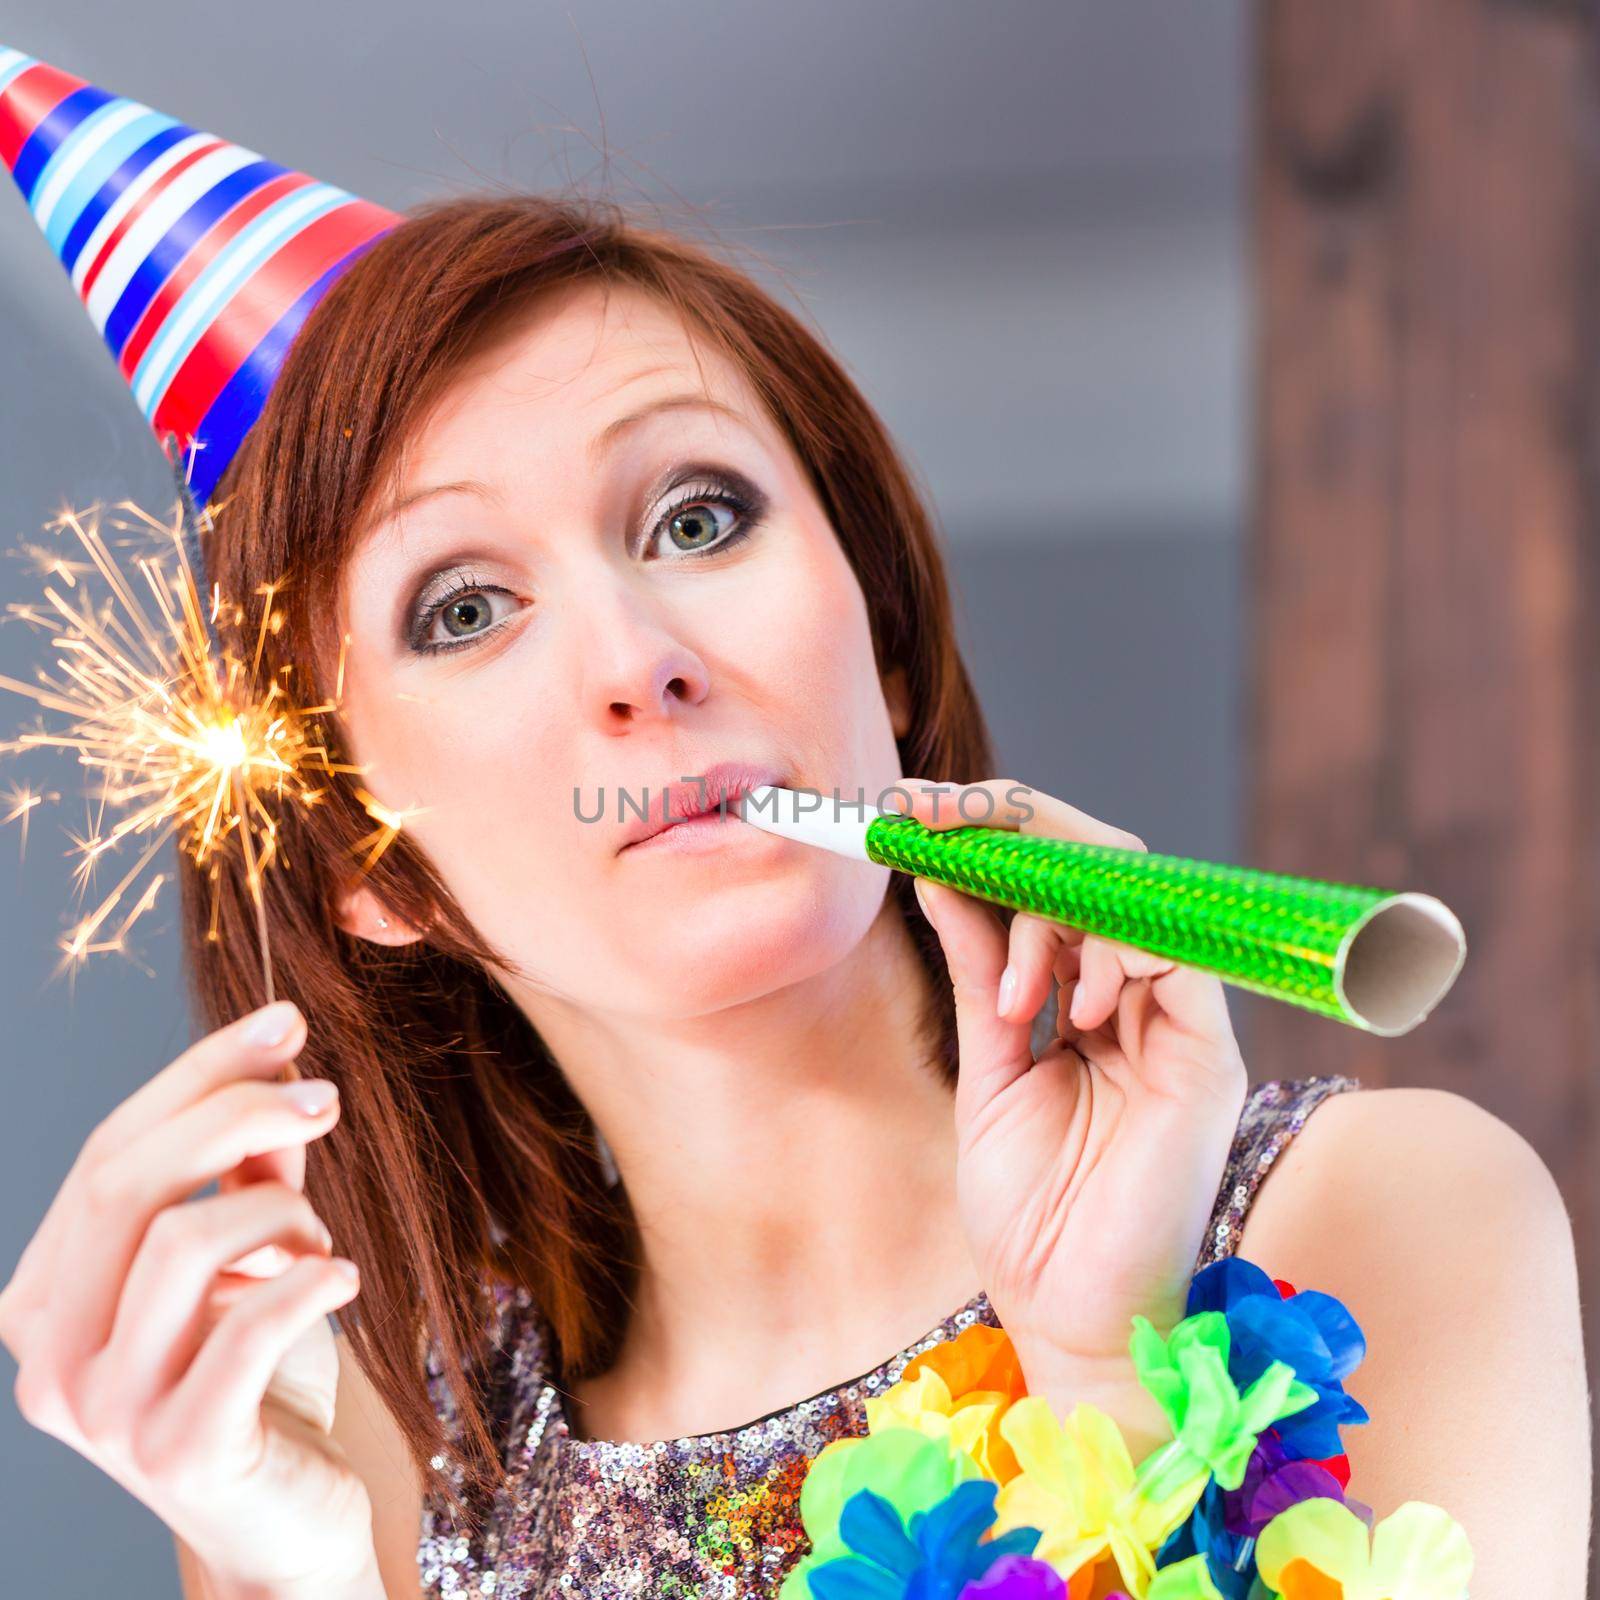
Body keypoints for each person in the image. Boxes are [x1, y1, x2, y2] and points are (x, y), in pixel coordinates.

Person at [0, 192, 1588, 1600]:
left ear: (883, 639)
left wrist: (1112, 1366)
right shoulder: (364, 1471)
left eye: (697, 519)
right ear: (372, 870)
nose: (640, 659)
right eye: (465, 605)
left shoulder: (1382, 1221)